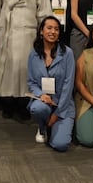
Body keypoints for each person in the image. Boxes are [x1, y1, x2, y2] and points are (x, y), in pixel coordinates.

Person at [26, 16, 75, 151]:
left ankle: (52, 126)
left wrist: (56, 114)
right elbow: (31, 82)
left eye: (56, 29)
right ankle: (42, 126)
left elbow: (68, 86)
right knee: (38, 109)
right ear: (41, 31)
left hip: (62, 104)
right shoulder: (33, 55)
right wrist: (41, 94)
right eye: (49, 28)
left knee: (61, 145)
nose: (53, 32)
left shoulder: (67, 53)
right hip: (43, 102)